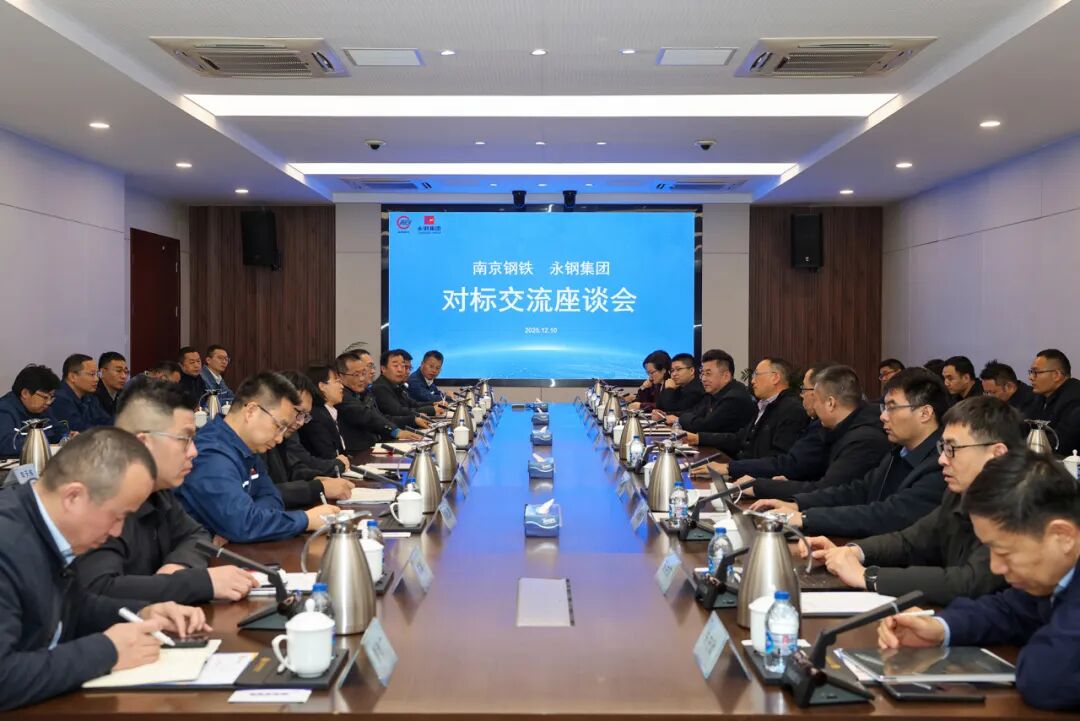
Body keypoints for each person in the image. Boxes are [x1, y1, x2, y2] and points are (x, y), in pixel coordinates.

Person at [0, 427, 210, 711]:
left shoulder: (44, 526)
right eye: (117, 515)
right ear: (73, 497)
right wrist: (107, 651)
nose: (117, 532)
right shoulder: (7, 543)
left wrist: (142, 613)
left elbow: (73, 607)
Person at [878, 450, 1080, 711]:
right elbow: (1009, 609)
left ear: (1063, 535)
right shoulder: (1051, 574)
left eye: (1004, 552)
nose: (995, 567)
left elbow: (1047, 679)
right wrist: (940, 628)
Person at [801, 395, 1021, 604]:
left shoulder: (1021, 504)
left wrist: (869, 577)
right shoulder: (958, 493)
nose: (942, 459)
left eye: (952, 449)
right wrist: (853, 552)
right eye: (942, 448)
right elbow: (910, 542)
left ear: (997, 454)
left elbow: (968, 582)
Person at [74, 377, 259, 604]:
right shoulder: (99, 496)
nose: (194, 452)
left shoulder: (158, 490)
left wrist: (177, 567)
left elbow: (196, 535)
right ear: (144, 443)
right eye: (185, 439)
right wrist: (195, 583)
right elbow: (98, 591)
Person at [750, 367, 948, 537]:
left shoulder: (942, 464)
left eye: (892, 408)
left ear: (925, 413)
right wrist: (797, 504)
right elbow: (858, 491)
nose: (883, 417)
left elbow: (887, 515)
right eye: (884, 407)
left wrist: (806, 518)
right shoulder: (900, 452)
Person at [175, 372, 338, 543]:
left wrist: (246, 519)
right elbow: (243, 525)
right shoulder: (211, 454)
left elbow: (273, 498)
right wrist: (306, 520)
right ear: (251, 411)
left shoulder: (246, 447)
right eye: (279, 426)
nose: (279, 438)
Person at [735, 364, 889, 500]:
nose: (813, 405)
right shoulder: (842, 429)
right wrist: (785, 485)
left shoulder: (863, 440)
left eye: (816, 399)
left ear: (830, 403)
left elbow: (829, 491)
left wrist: (761, 486)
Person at [264, 370, 354, 510]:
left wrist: (318, 479)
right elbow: (260, 496)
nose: (301, 422)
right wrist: (318, 488)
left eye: (305, 416)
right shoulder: (252, 441)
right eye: (299, 412)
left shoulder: (281, 434)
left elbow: (293, 469)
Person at [692, 357, 808, 459]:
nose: (752, 381)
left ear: (775, 377)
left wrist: (731, 468)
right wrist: (698, 438)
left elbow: (778, 459)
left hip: (754, 473)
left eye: (756, 375)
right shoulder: (763, 405)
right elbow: (739, 439)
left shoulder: (791, 410)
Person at [335, 351, 422, 452]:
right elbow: (367, 416)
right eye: (356, 374)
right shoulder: (341, 395)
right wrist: (396, 432)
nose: (362, 378)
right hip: (357, 453)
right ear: (340, 376)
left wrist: (412, 420)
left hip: (373, 447)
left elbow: (380, 417)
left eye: (363, 373)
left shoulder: (363, 392)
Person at [674, 349, 755, 436]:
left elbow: (705, 427)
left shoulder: (734, 398)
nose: (703, 379)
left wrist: (679, 419)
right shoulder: (712, 393)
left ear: (726, 376)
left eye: (708, 374)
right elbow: (694, 412)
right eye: (702, 373)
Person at [0, 364, 65, 458]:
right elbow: (6, 446)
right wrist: (43, 445)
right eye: (45, 397)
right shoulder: (4, 410)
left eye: (51, 397)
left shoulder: (43, 409)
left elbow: (59, 432)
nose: (48, 402)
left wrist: (68, 438)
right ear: (25, 393)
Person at [1029, 348, 1080, 456]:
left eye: (1036, 372)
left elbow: (1060, 443)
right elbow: (1025, 428)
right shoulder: (1040, 396)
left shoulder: (1075, 399)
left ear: (1056, 375)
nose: (1031, 378)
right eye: (1031, 372)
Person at [372, 349, 438, 427]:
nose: (400, 370)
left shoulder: (397, 385)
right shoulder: (380, 387)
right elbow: (397, 411)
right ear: (383, 369)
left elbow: (412, 404)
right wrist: (423, 413)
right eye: (395, 366)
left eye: (403, 366)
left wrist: (433, 404)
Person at [49, 353, 111, 433]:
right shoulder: (59, 399)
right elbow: (79, 429)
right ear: (72, 377)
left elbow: (106, 421)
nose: (97, 379)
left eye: (97, 374)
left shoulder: (90, 396)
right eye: (92, 374)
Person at [300, 364, 350, 461]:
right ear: (322, 386)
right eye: (337, 381)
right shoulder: (314, 417)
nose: (341, 386)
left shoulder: (326, 411)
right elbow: (327, 456)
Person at [651, 352, 705, 417]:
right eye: (672, 370)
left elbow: (672, 409)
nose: (674, 374)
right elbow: (659, 406)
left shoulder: (696, 390)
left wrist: (669, 389)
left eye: (678, 369)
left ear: (691, 371)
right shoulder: (680, 386)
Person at [94, 352, 129, 418]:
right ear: (102, 372)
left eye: (126, 372)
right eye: (118, 371)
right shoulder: (93, 397)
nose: (123, 376)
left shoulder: (124, 395)